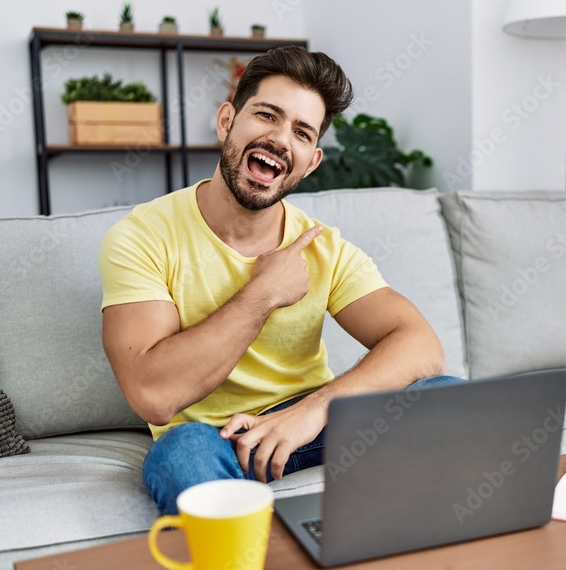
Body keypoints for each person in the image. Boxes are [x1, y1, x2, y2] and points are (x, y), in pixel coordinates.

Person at [98, 46, 458, 515]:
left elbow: (420, 344)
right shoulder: (142, 237)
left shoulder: (323, 247)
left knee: (448, 397)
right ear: (227, 120)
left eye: (301, 132)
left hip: (310, 425)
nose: (280, 139)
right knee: (178, 454)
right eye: (267, 115)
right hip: (218, 440)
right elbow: (154, 395)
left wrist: (309, 413)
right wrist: (263, 294)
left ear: (311, 161)